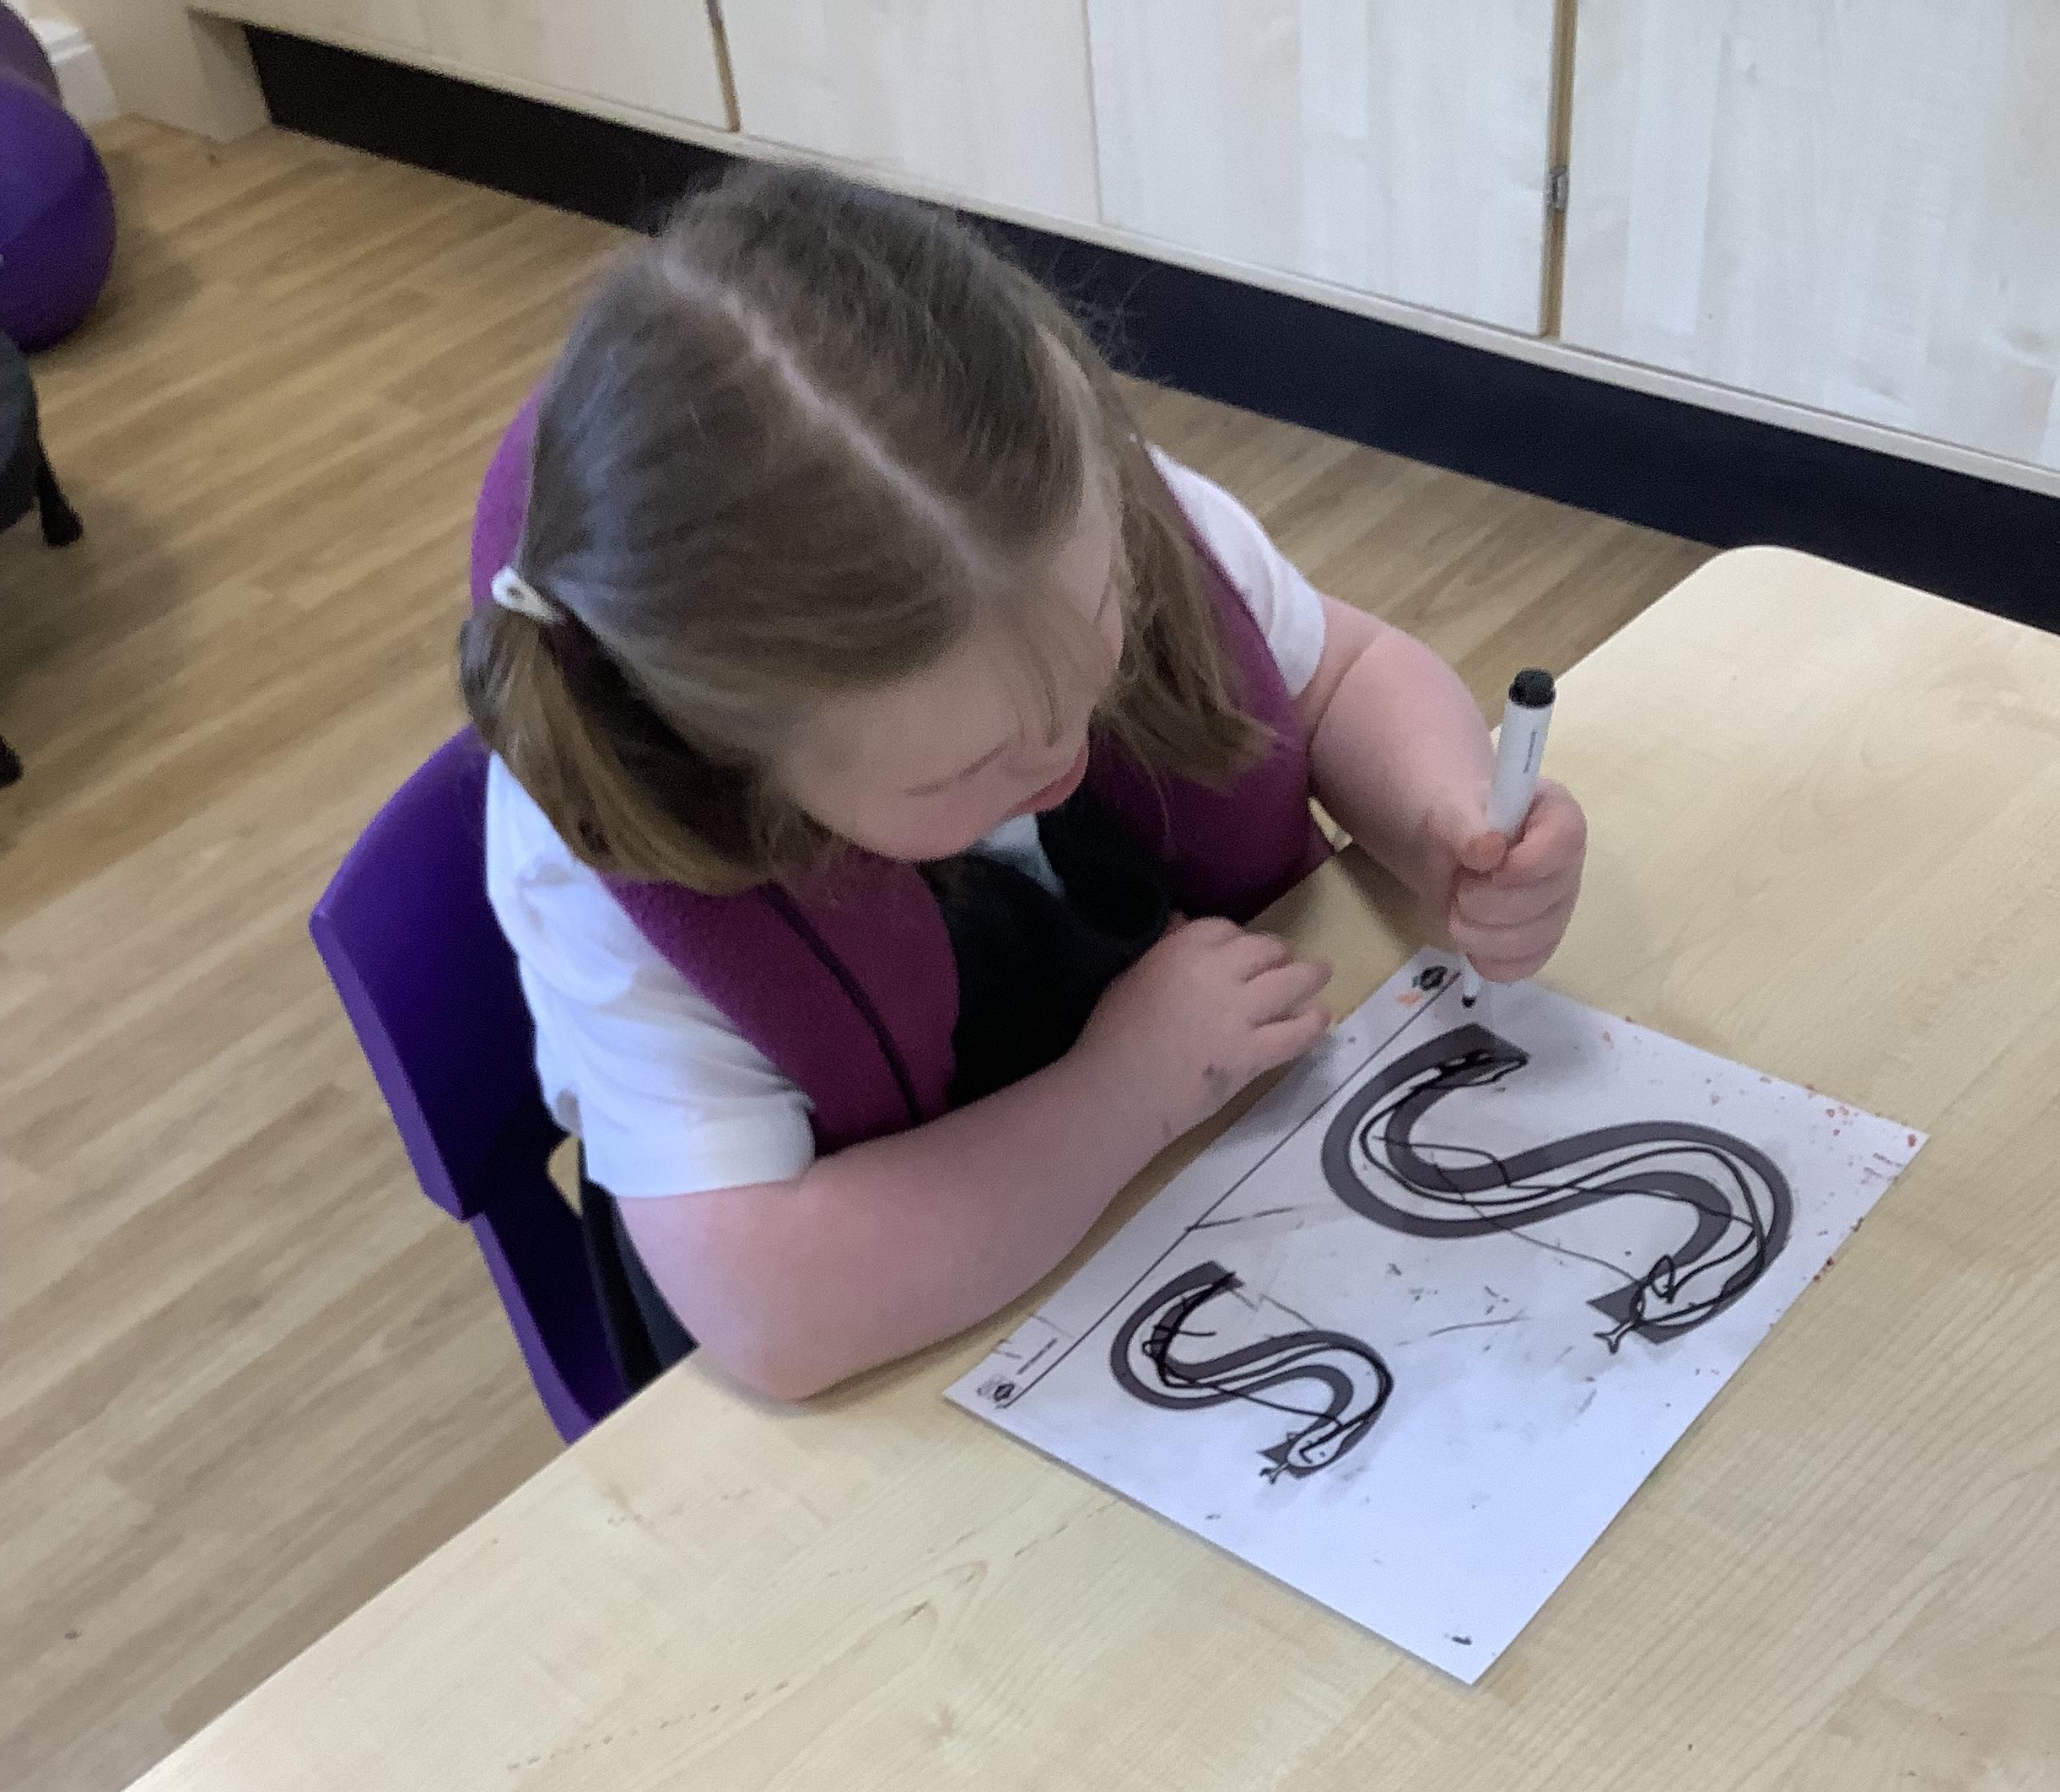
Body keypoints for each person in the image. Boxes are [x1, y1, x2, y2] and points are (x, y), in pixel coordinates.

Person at [462, 165, 1586, 1403]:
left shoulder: (1034, 519)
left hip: (1201, 1149)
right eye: (967, 768)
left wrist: (1444, 820)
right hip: (904, 1305)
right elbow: (773, 1310)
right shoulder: (623, 857)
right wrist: (1127, 1096)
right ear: (740, 764)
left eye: (1103, 635)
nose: (1062, 763)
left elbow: (1343, 675)